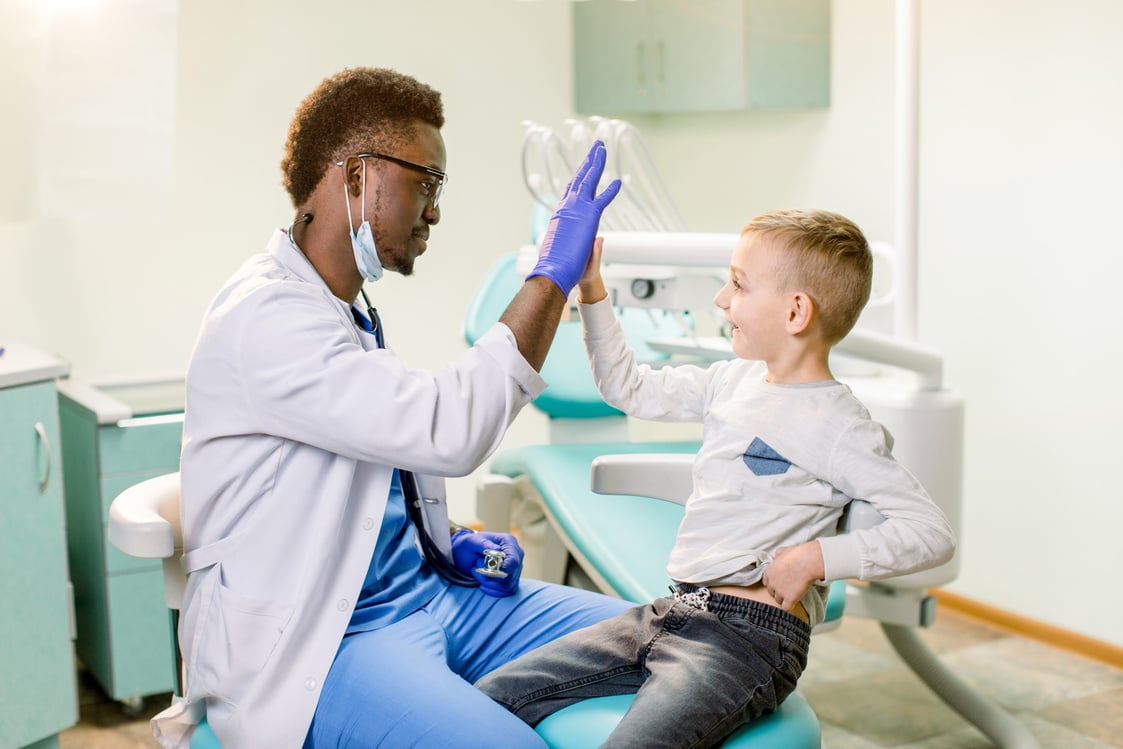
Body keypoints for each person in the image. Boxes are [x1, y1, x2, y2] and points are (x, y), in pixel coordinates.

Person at [154, 67, 633, 749]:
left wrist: (437, 541)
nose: (434, 210)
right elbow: (445, 429)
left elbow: (372, 459)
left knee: (661, 636)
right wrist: (550, 274)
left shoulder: (341, 308)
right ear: (357, 175)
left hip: (432, 595)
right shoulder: (264, 315)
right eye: (425, 182)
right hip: (329, 639)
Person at [476, 209, 958, 748]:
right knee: (494, 694)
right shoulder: (732, 380)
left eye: (738, 284)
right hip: (671, 612)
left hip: (749, 639)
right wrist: (592, 291)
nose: (721, 300)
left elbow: (931, 533)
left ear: (796, 311)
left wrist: (817, 559)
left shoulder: (840, 427)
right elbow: (627, 388)